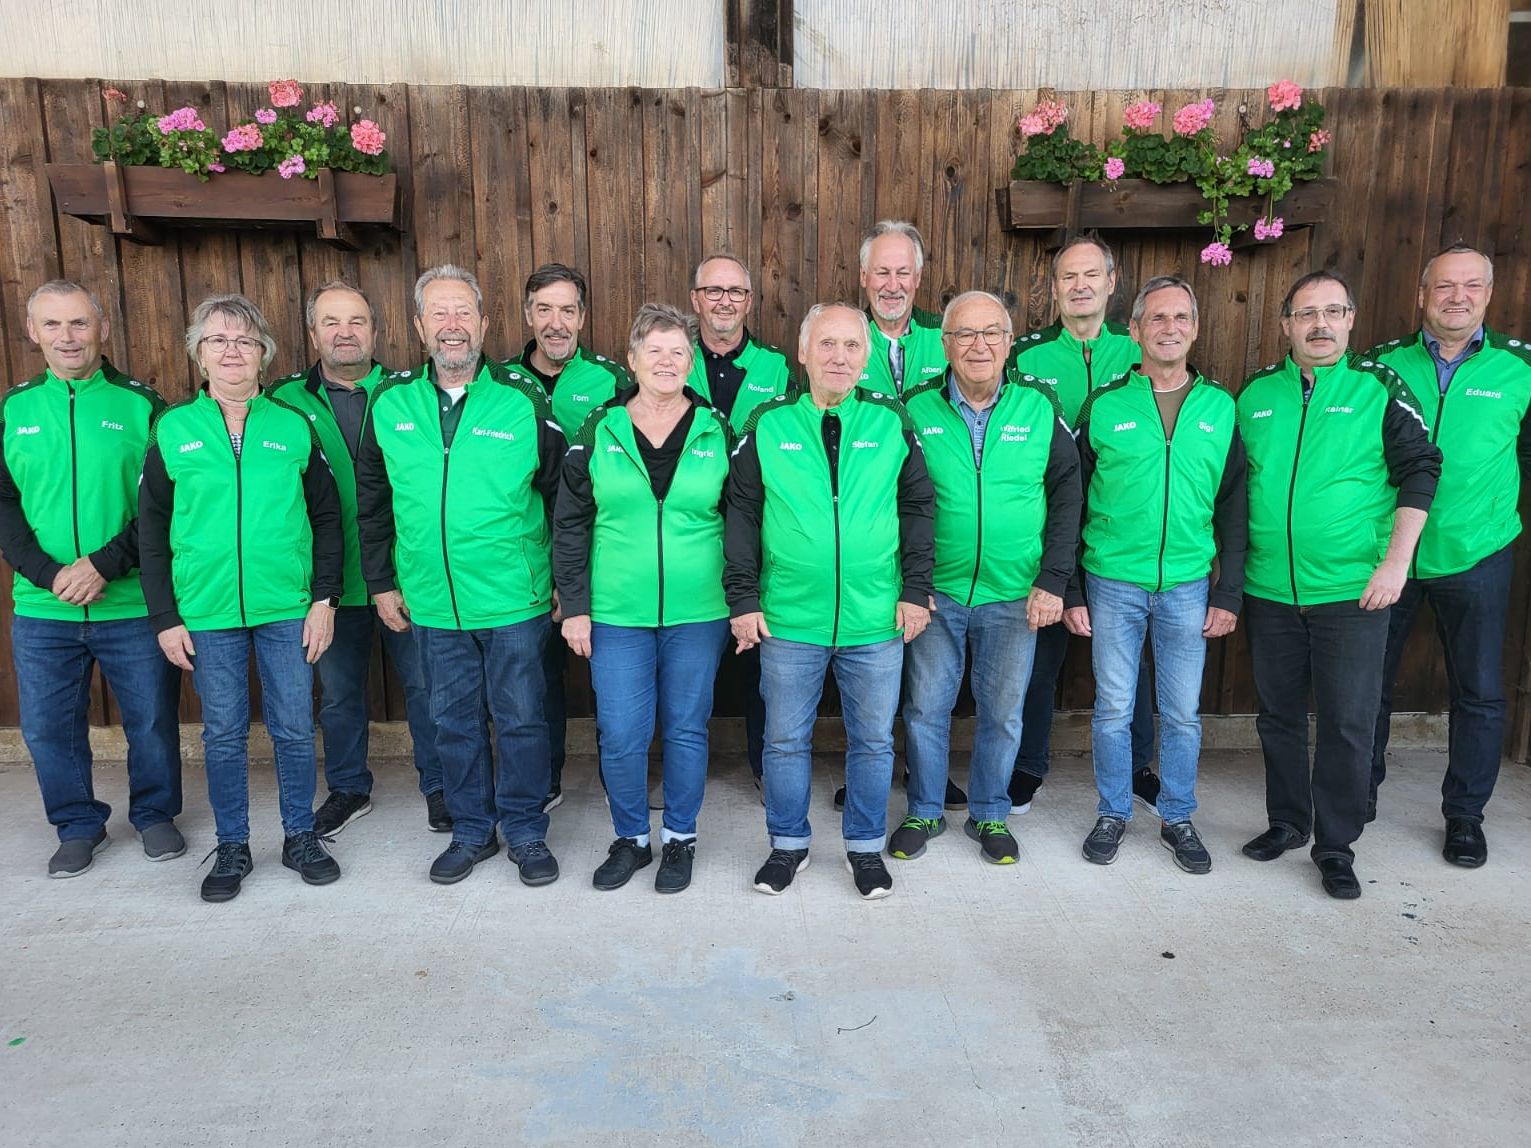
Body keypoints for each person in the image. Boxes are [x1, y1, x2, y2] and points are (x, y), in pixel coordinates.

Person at [357, 265, 565, 887]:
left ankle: (524, 830)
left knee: (522, 719)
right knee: (452, 722)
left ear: (484, 323)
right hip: (432, 601)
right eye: (439, 314)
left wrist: (565, 582)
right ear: (419, 327)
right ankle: (472, 831)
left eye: (464, 313)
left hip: (514, 599)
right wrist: (381, 582)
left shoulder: (522, 400)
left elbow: (563, 496)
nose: (453, 326)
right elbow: (372, 502)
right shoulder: (391, 404)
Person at [1237, 270, 1440, 899]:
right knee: (1277, 717)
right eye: (1306, 313)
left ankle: (1335, 845)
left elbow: (1421, 469)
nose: (1319, 324)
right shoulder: (1255, 395)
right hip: (1269, 589)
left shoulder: (1378, 387)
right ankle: (1287, 821)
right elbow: (1232, 486)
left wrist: (1396, 563)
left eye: (1332, 311)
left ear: (1350, 319)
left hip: (1352, 592)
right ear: (1286, 325)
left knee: (1348, 722)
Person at [725, 302, 935, 900]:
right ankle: (787, 844)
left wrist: (914, 590)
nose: (839, 357)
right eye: (826, 344)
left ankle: (865, 847)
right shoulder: (769, 423)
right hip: (790, 617)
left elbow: (918, 506)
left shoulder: (891, 421)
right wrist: (743, 598)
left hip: (875, 617)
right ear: (803, 352)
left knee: (873, 741)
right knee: (784, 741)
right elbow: (742, 513)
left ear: (866, 357)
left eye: (851, 346)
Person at [139, 294, 344, 903]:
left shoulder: (293, 425)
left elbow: (327, 517)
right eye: (218, 341)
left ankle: (300, 835)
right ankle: (233, 844)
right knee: (223, 733)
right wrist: (165, 616)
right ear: (199, 355)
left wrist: (324, 599)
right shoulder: (173, 429)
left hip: (286, 606)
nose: (232, 352)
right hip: (206, 612)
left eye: (245, 341)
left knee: (293, 727)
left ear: (263, 355)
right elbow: (151, 530)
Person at [1064, 276, 1247, 874]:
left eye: (1181, 318)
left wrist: (1228, 591)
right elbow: (1071, 502)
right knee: (1114, 709)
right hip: (1112, 580)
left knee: (1183, 713)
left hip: (1188, 583)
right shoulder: (1105, 405)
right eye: (1157, 319)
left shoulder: (1220, 407)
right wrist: (1070, 587)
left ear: (1195, 329)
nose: (1170, 328)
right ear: (1136, 330)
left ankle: (1177, 817)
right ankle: (1113, 811)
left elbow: (1235, 504)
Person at [0, 280, 182, 878]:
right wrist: (50, 574)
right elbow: (3, 503)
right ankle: (78, 825)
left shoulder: (142, 405)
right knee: (48, 728)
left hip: (129, 601)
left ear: (101, 328)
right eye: (53, 325)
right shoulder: (13, 409)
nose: (67, 337)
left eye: (79, 323)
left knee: (151, 722)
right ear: (33, 332)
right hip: (44, 607)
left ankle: (155, 815)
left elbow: (161, 507)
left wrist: (103, 564)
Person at [893, 291, 1080, 866]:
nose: (979, 346)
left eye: (991, 333)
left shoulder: (1038, 407)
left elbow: (1068, 495)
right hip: (937, 592)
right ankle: (925, 809)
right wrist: (910, 584)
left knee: (1003, 712)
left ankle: (990, 813)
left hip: (1014, 593)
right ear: (945, 345)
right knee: (926, 709)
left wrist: (1054, 579)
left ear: (1008, 341)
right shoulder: (915, 409)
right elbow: (895, 500)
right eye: (965, 334)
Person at [554, 303, 732, 893]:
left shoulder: (716, 428)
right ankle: (630, 838)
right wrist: (575, 606)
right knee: (622, 732)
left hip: (699, 611)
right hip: (615, 612)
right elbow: (570, 522)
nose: (666, 361)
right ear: (632, 359)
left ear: (691, 361)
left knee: (685, 729)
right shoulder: (600, 428)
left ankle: (680, 838)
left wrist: (743, 597)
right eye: (654, 350)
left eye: (678, 351)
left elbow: (742, 518)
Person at [1368, 245, 1531, 867]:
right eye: (1443, 286)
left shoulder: (1519, 367)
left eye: (1471, 286)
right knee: (1367, 683)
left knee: (1479, 690)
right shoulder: (1381, 365)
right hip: (1389, 554)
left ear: (1489, 294)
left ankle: (1465, 816)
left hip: (1476, 552)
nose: (1456, 297)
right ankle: (1358, 793)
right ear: (1422, 295)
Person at [269, 281, 446, 836]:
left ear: (376, 330)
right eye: (331, 322)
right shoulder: (282, 401)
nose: (345, 333)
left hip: (404, 575)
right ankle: (348, 787)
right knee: (340, 694)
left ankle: (441, 785)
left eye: (356, 322)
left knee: (426, 687)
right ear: (312, 333)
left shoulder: (409, 392)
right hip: (329, 582)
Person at [1009, 234, 1158, 816]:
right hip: (1044, 530)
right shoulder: (1025, 355)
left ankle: (1138, 766)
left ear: (1111, 282)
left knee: (1128, 660)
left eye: (1091, 275)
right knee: (1038, 657)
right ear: (1053, 288)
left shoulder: (1138, 347)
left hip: (1121, 533)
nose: (1080, 286)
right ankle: (1027, 765)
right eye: (1068, 276)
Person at [506, 263, 632, 813]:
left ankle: (617, 777)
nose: (555, 323)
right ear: (527, 315)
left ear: (582, 317)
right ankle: (546, 776)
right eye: (544, 310)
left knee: (612, 676)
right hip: (525, 560)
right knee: (536, 678)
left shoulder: (611, 381)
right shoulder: (499, 383)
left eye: (567, 310)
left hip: (597, 557)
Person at [687, 253, 795, 790]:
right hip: (692, 532)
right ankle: (685, 769)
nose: (724, 301)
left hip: (757, 528)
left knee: (760, 660)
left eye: (735, 291)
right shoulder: (674, 357)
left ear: (749, 301)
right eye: (713, 291)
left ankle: (763, 766)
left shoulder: (776, 367)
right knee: (690, 659)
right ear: (696, 300)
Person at [858, 221, 946, 395]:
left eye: (903, 273)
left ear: (917, 278)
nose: (892, 286)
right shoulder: (839, 340)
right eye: (883, 273)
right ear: (863, 276)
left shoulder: (947, 334)